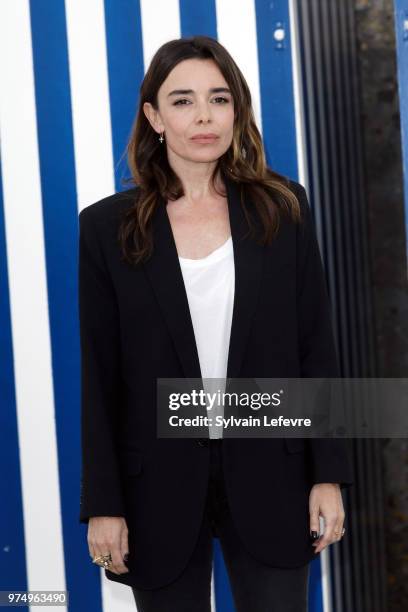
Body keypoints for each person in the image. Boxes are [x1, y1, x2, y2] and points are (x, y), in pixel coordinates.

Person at [78, 35, 353, 612]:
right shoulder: (107, 228)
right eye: (181, 101)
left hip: (273, 474)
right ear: (153, 116)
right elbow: (99, 376)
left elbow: (315, 349)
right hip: (155, 483)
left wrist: (327, 474)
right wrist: (104, 504)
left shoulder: (284, 210)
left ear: (237, 111)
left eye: (219, 98)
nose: (203, 116)